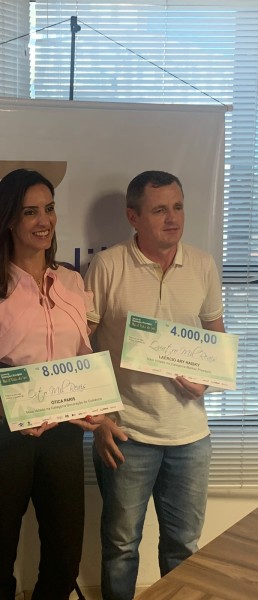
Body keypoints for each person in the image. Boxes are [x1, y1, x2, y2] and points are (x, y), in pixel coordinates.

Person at [0, 168, 104, 600]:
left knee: (65, 556)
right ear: (9, 220)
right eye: (30, 212)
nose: (43, 221)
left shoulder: (72, 282)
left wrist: (96, 405)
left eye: (48, 208)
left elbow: (82, 360)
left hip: (63, 434)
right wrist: (0, 410)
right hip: (2, 436)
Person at [84, 171, 225, 600]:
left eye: (177, 207)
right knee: (121, 548)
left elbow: (216, 339)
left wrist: (207, 381)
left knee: (184, 548)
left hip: (190, 436)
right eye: (159, 209)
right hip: (127, 433)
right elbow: (81, 348)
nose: (172, 218)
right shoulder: (108, 266)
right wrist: (100, 418)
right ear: (133, 217)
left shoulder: (202, 264)